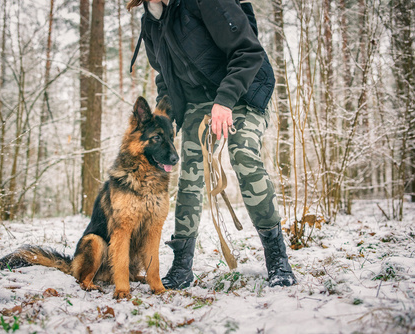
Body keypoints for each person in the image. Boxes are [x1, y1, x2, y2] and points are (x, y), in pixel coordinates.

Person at [127, 0, 296, 288]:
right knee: (189, 171)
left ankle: (277, 258)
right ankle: (182, 267)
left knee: (243, 155)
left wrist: (225, 100)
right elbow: (166, 79)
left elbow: (248, 52)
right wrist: (167, 121)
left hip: (244, 91)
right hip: (198, 102)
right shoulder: (151, 22)